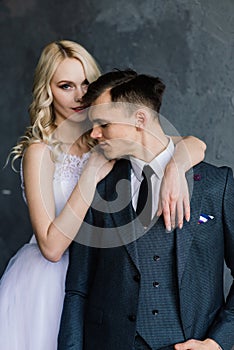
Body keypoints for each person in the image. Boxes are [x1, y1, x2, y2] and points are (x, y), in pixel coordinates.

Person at [0, 42, 205, 349]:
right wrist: (91, 171)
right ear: (48, 91)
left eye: (86, 83)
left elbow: (194, 143)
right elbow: (52, 247)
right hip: (49, 283)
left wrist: (176, 168)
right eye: (66, 86)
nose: (80, 96)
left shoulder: (112, 137)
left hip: (104, 279)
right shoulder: (40, 153)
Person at [58, 69, 234, 350]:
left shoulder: (216, 184)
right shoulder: (99, 189)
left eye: (103, 123)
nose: (94, 133)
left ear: (139, 119)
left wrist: (218, 342)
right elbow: (77, 289)